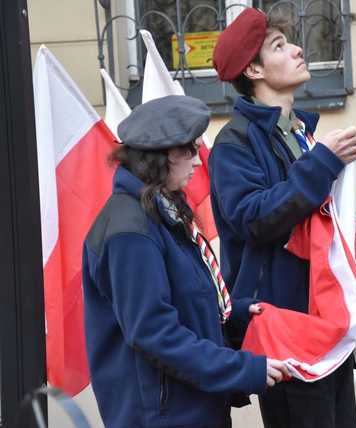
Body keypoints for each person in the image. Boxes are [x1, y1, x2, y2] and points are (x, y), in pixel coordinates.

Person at [209, 8, 356, 428]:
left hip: (321, 321)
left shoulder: (298, 133)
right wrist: (321, 162)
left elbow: (303, 215)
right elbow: (254, 219)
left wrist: (347, 228)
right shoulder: (235, 142)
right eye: (279, 46)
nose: (299, 50)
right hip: (285, 326)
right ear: (253, 68)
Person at [82, 95, 289, 428]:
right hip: (159, 417)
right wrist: (242, 369)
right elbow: (155, 332)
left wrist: (233, 315)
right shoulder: (130, 229)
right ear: (160, 157)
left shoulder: (161, 213)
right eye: (190, 150)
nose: (198, 161)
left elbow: (184, 301)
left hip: (191, 409)